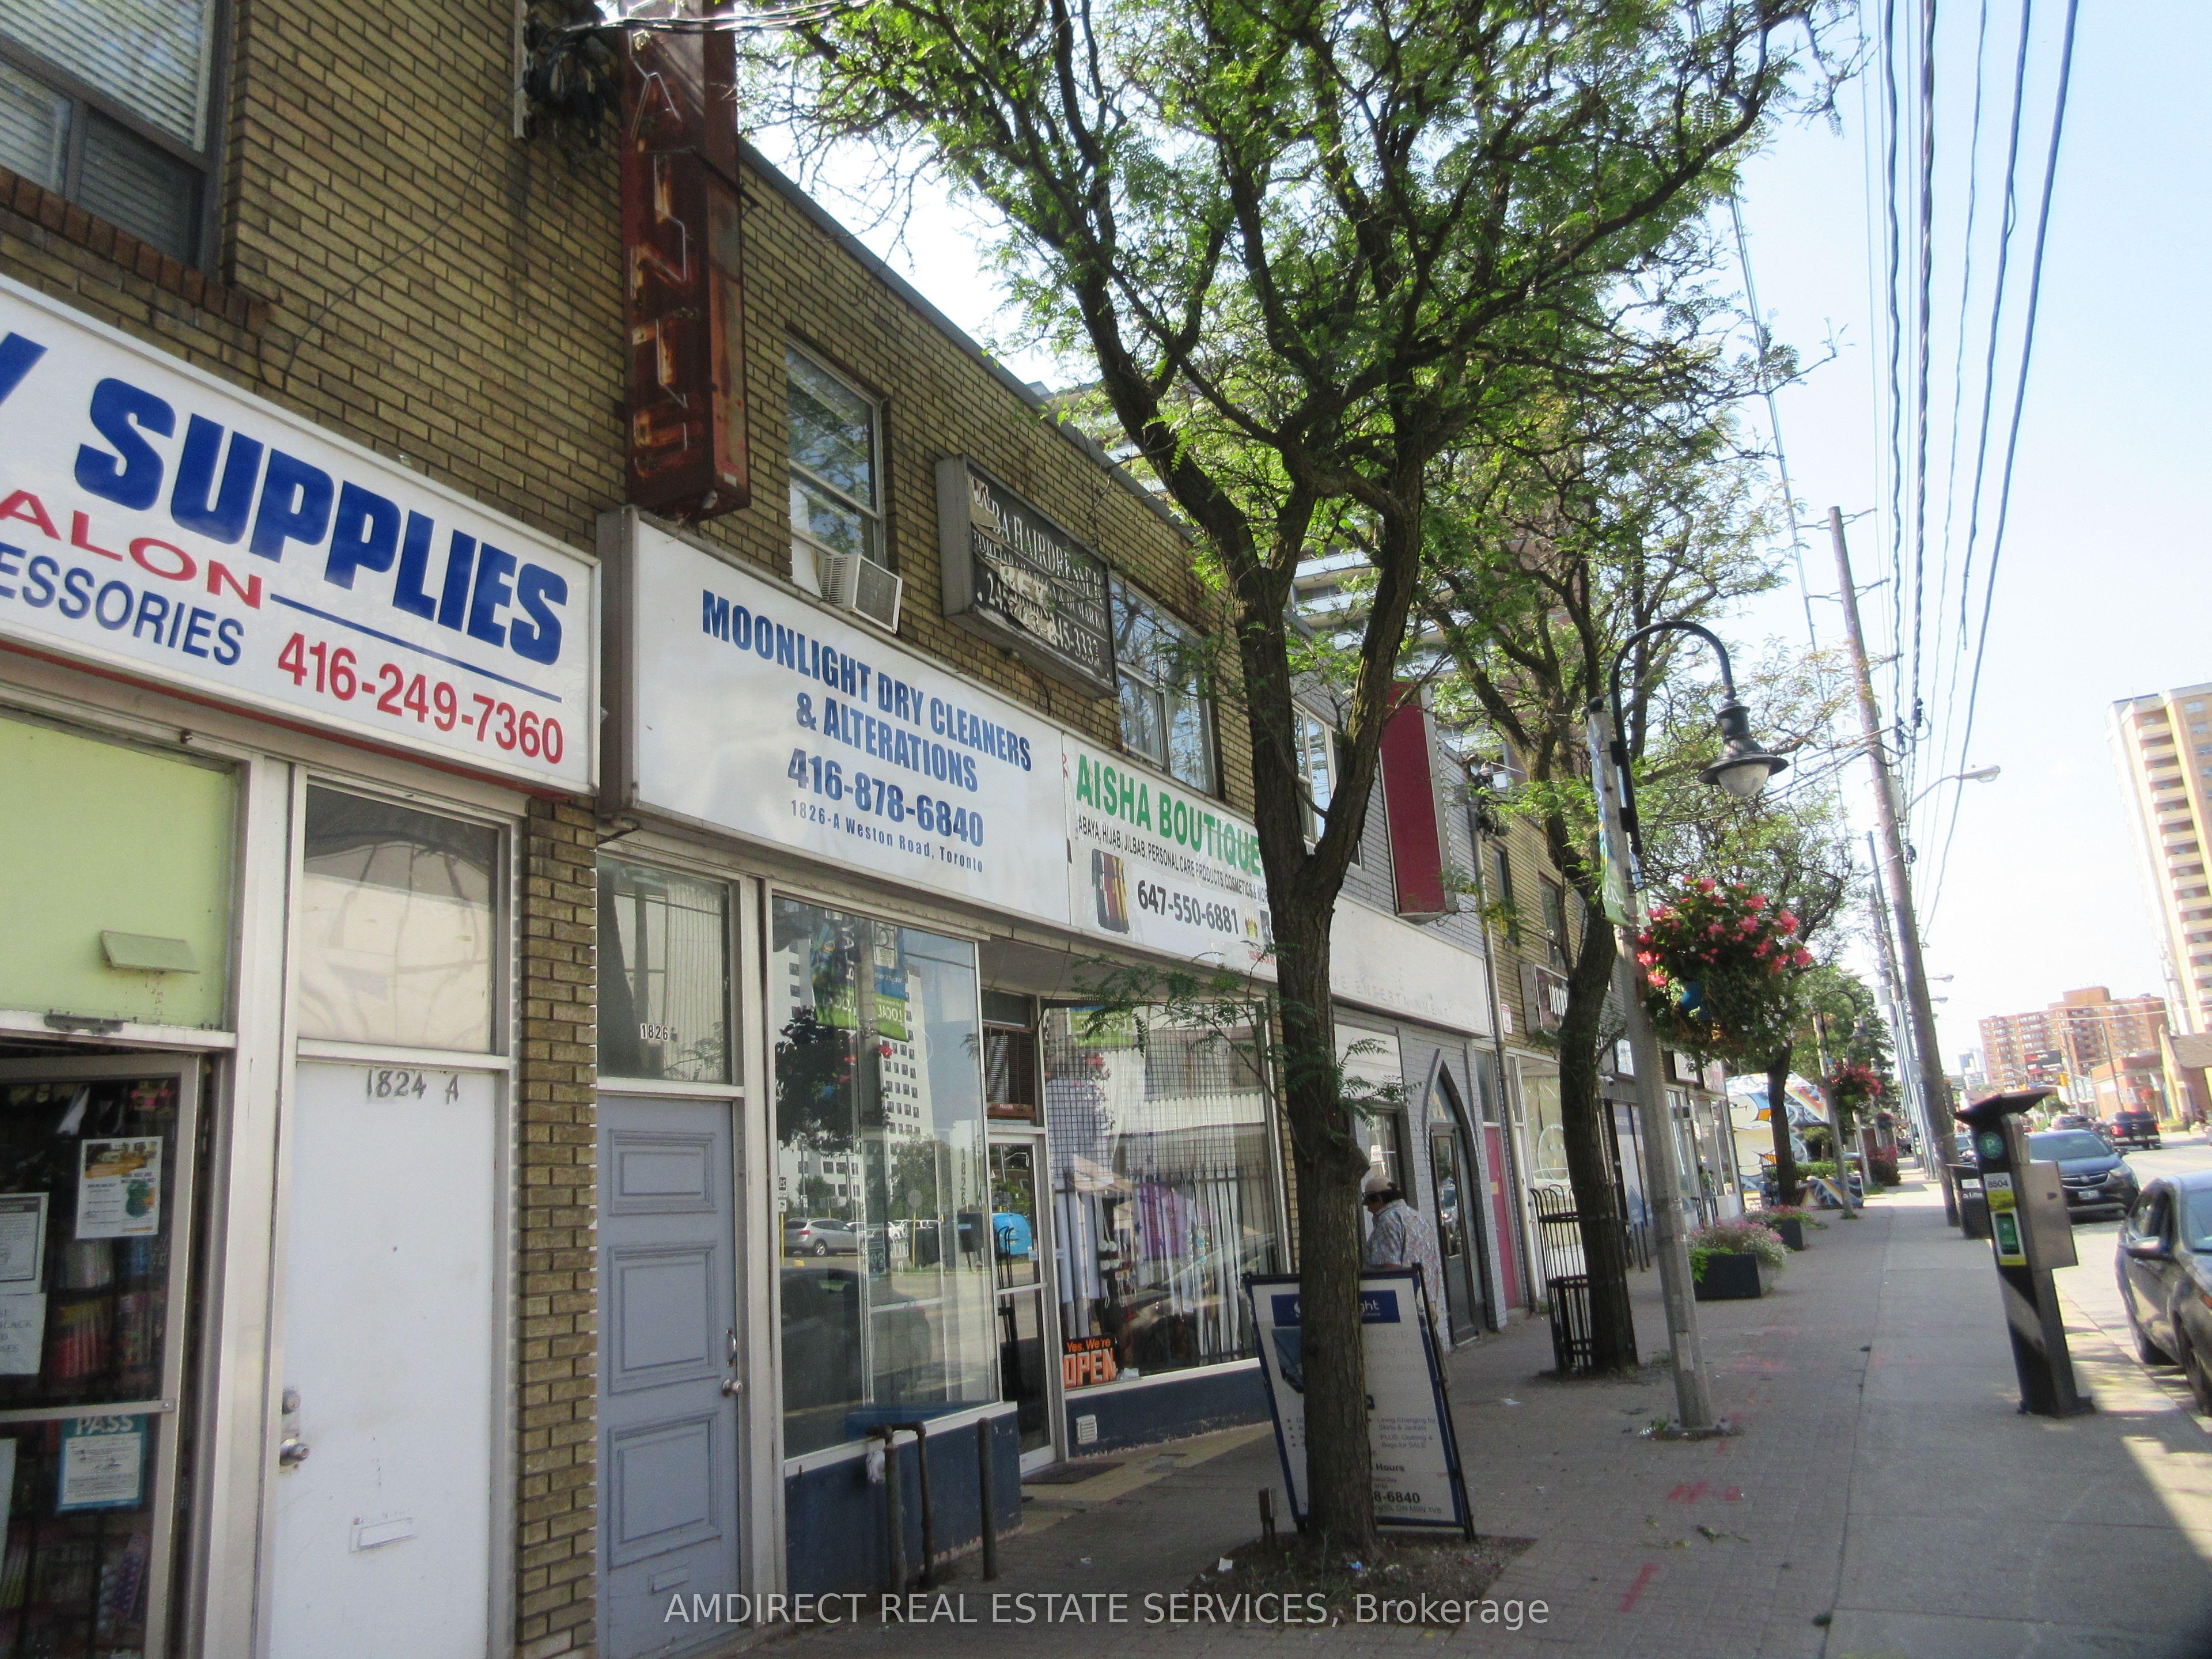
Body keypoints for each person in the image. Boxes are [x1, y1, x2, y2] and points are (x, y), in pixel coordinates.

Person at [1361, 1166, 1447, 1350]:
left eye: (1369, 1203)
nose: (1368, 1209)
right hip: (1426, 1302)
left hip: (1401, 1307)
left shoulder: (1388, 1221)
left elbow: (1390, 1268)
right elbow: (1433, 1263)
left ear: (1379, 1200)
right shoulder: (1418, 1218)